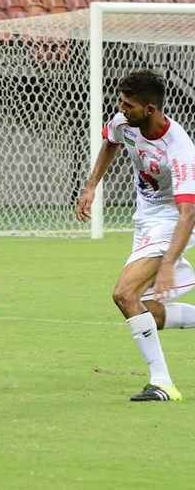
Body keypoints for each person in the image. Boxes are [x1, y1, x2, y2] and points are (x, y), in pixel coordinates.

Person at [76, 69, 195, 402]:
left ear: (151, 110)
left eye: (129, 105)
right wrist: (90, 187)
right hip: (144, 220)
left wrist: (169, 263)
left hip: (174, 221)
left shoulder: (180, 148)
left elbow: (188, 214)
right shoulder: (123, 122)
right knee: (149, 312)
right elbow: (110, 144)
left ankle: (163, 384)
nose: (121, 109)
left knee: (124, 294)